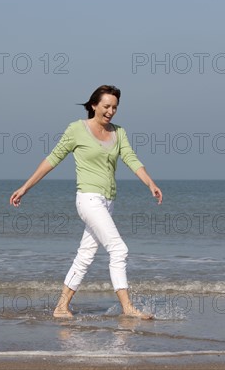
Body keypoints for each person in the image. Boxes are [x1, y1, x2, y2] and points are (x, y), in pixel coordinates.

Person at [9, 85, 162, 319]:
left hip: (108, 202)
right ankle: (127, 308)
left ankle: (61, 307)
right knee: (119, 249)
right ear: (93, 105)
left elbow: (131, 159)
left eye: (114, 107)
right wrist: (25, 187)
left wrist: (150, 183)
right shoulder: (76, 129)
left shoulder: (119, 132)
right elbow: (52, 159)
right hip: (88, 199)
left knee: (86, 254)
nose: (111, 111)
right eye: (106, 106)